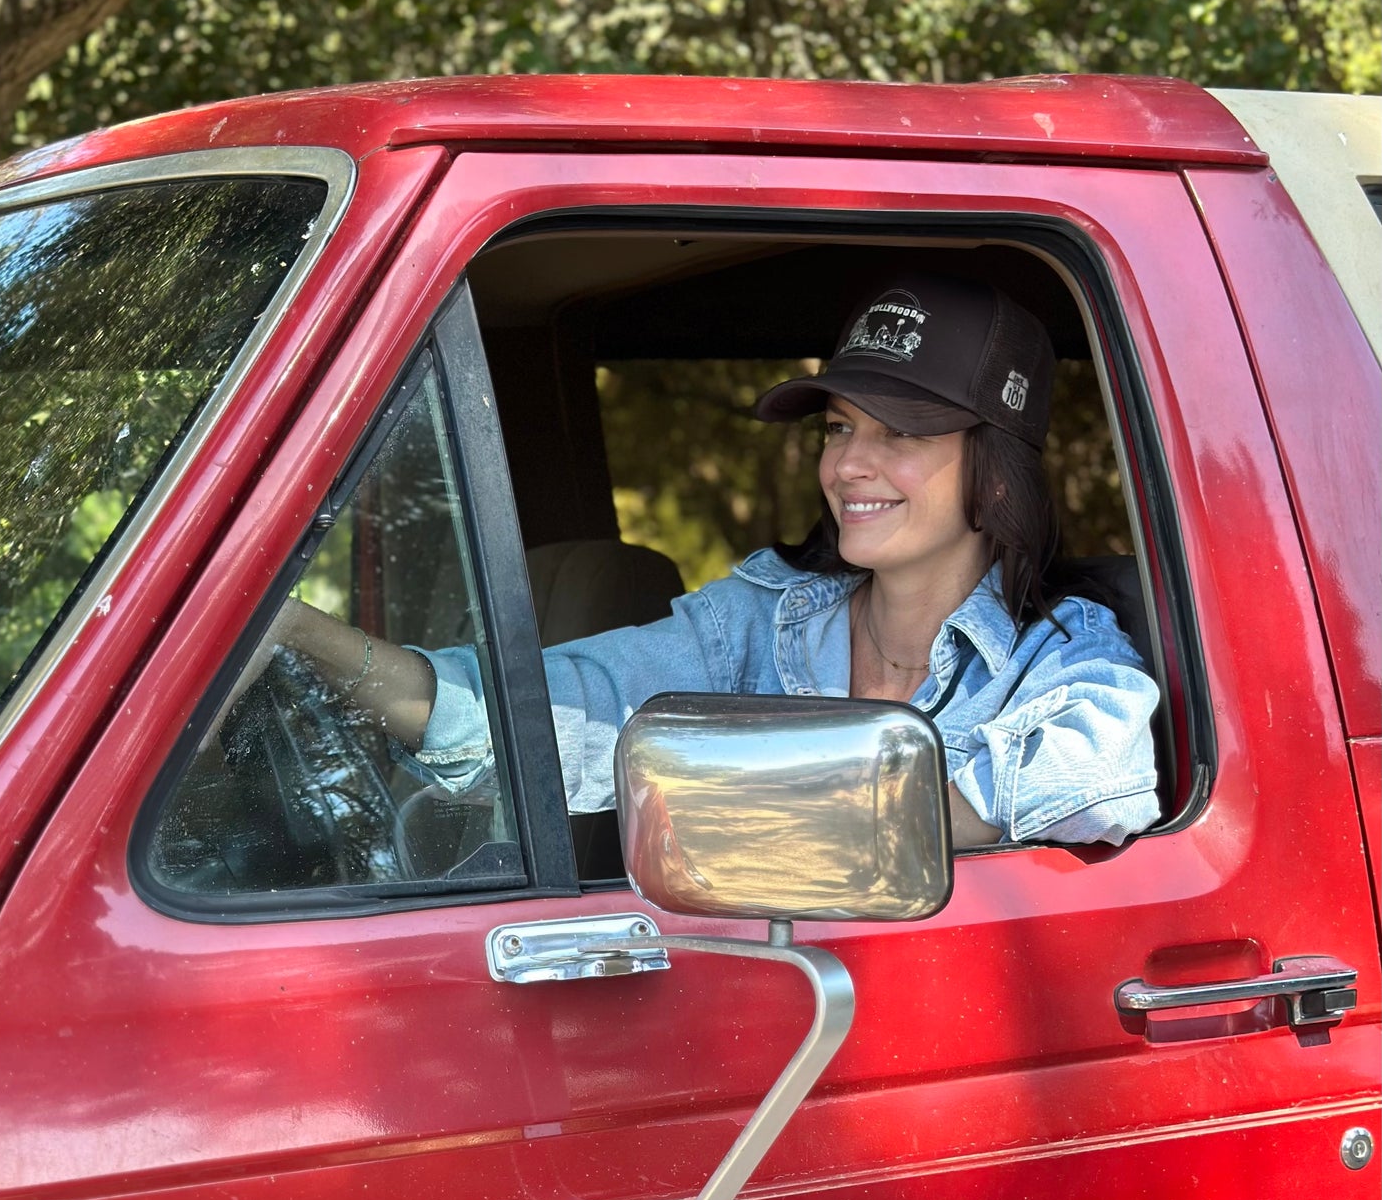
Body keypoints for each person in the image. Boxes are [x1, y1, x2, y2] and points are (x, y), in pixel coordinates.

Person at [269, 272, 1161, 849]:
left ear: (996, 473)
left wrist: (764, 819)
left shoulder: (1058, 650)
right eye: (840, 428)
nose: (847, 464)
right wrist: (297, 634)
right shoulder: (756, 620)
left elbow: (1098, 780)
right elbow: (543, 713)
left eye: (899, 434)